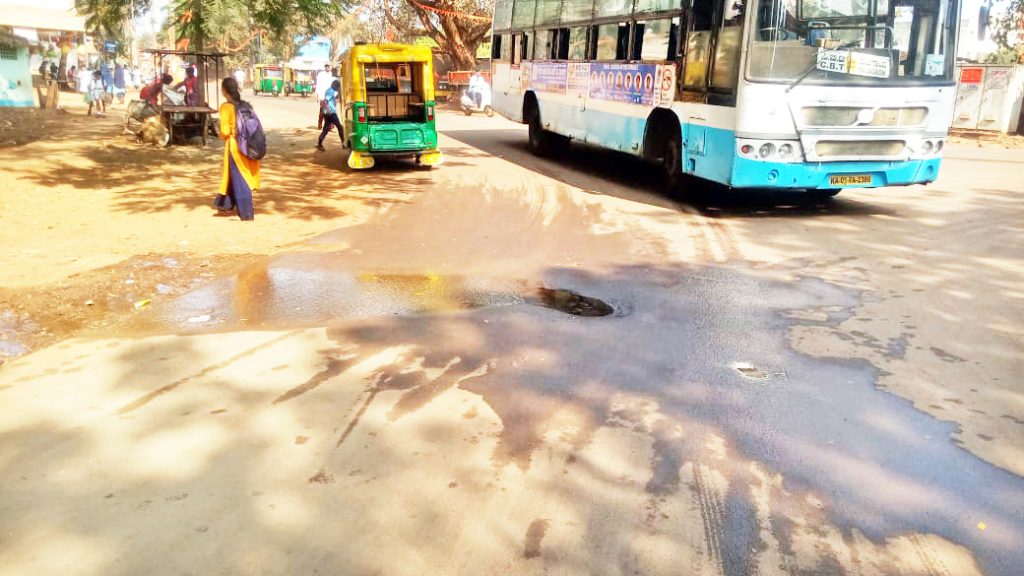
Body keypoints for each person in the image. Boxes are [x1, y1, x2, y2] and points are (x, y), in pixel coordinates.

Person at [215, 77, 259, 221]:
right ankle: (225, 203)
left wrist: (218, 132)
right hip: (249, 145)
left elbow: (225, 131)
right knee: (234, 175)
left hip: (235, 147)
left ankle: (247, 213)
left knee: (240, 178)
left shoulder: (226, 107)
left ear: (224, 91)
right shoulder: (246, 105)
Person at [316, 79, 344, 152]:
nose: (339, 89)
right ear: (336, 86)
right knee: (339, 127)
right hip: (331, 112)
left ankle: (319, 143)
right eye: (338, 87)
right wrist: (329, 111)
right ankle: (344, 143)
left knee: (326, 128)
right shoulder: (331, 91)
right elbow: (325, 101)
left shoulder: (330, 90)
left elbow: (334, 98)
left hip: (327, 112)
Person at [315, 63, 334, 129]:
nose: (327, 67)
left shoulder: (332, 74)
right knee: (322, 111)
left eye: (328, 66)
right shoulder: (321, 74)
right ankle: (320, 123)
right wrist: (317, 96)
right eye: (326, 66)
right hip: (322, 95)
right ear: (324, 67)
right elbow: (318, 85)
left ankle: (330, 125)